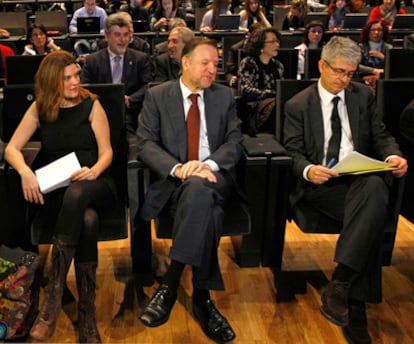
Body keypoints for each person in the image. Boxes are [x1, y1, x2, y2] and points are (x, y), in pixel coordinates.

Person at [283, 36, 407, 344]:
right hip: (322, 186)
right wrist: (309, 170)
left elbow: (381, 135)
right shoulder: (298, 105)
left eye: (350, 73)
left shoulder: (361, 96)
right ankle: (354, 300)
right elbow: (292, 152)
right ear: (322, 65)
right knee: (374, 206)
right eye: (339, 71)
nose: (344, 79)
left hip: (358, 178)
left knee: (374, 185)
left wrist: (392, 155)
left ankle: (341, 284)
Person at [4, 50, 117, 343]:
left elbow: (107, 152)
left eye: (76, 75)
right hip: (59, 191)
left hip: (96, 182)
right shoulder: (41, 108)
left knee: (80, 194)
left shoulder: (91, 105)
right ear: (52, 81)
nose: (74, 82)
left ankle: (52, 300)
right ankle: (87, 314)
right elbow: (11, 149)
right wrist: (26, 173)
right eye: (67, 78)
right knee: (87, 221)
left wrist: (93, 171)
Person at [137, 37, 243, 343]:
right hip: (175, 183)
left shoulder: (223, 96)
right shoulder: (158, 96)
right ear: (185, 63)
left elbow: (235, 141)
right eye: (205, 63)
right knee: (207, 208)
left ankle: (170, 284)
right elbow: (144, 143)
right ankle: (203, 298)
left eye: (216, 64)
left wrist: (207, 165)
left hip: (214, 178)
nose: (213, 70)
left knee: (200, 189)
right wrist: (178, 168)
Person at [81, 12, 153, 142]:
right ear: (106, 36)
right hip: (99, 110)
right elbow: (84, 88)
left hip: (128, 112)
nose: (123, 40)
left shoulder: (140, 59)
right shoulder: (93, 60)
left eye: (126, 35)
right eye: (117, 35)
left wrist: (130, 99)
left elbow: (147, 86)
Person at [238, 27, 284, 134]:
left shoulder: (278, 66)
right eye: (272, 42)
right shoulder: (249, 63)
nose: (277, 45)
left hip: (274, 105)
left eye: (277, 41)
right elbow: (246, 90)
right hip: (254, 108)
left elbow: (282, 88)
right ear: (261, 44)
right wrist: (271, 93)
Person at [225, 22, 264, 87]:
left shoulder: (266, 49)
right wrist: (232, 78)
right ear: (249, 34)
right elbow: (229, 72)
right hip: (242, 84)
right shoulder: (235, 49)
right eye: (256, 36)